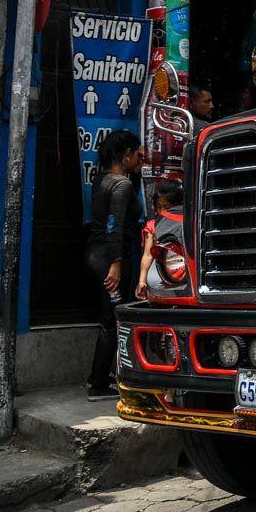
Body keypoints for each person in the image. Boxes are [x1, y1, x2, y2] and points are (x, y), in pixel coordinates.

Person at [85, 130, 143, 401]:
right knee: (112, 321)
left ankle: (100, 376)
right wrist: (116, 263)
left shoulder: (102, 180)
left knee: (108, 317)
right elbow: (115, 225)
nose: (139, 159)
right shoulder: (122, 185)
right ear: (127, 154)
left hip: (96, 254)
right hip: (111, 259)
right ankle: (98, 385)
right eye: (137, 155)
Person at [136, 179, 184, 301]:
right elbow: (147, 255)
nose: (162, 211)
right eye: (158, 207)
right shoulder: (152, 226)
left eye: (166, 207)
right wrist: (142, 280)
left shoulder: (184, 223)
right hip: (161, 273)